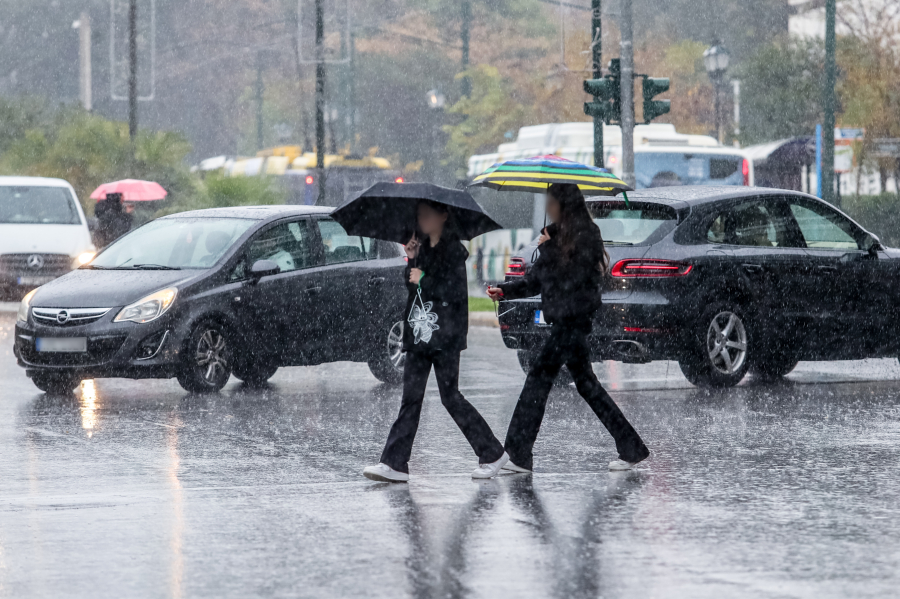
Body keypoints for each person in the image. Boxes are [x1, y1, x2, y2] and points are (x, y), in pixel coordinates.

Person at [487, 183, 650, 472]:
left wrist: (547, 247)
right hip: (564, 321)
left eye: (552, 202)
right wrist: (505, 291)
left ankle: (518, 453)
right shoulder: (556, 235)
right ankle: (631, 446)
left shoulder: (587, 235)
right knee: (586, 385)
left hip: (573, 321)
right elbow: (537, 280)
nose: (548, 208)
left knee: (537, 379)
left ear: (565, 204)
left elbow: (573, 279)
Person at [364, 201, 509, 483]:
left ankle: (491, 452)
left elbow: (453, 294)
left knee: (450, 397)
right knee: (411, 399)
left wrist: (424, 279)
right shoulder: (421, 248)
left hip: (445, 335)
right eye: (419, 215)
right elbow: (413, 287)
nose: (422, 219)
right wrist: (411, 259)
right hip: (420, 334)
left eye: (427, 215)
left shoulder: (454, 252)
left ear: (444, 216)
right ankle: (394, 463)